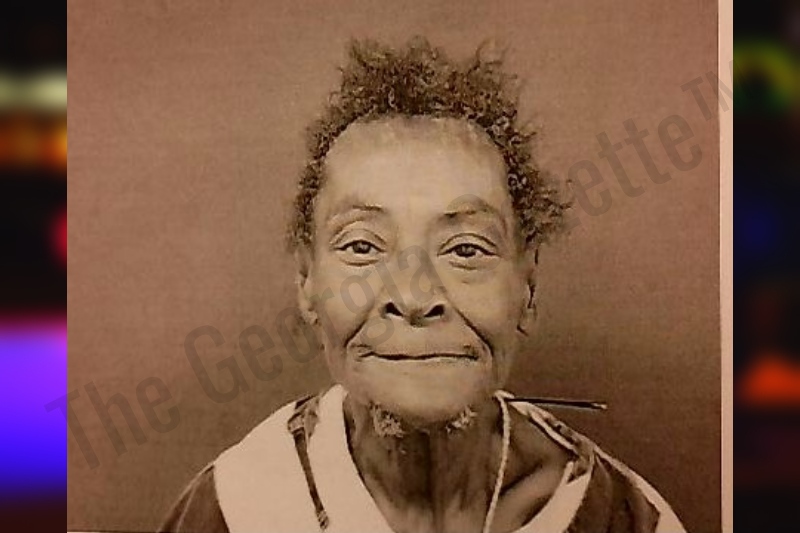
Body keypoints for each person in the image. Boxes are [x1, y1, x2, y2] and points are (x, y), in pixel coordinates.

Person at [160, 38, 686, 533]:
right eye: (362, 247)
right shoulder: (232, 511)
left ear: (527, 287)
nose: (412, 299)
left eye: (466, 250)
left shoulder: (622, 517)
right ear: (306, 282)